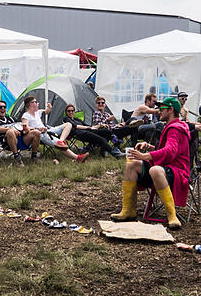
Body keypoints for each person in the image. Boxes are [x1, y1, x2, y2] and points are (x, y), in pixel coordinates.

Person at [110, 97, 190, 228]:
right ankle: (128, 210)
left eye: (162, 109)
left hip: (177, 172)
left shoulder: (175, 128)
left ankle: (172, 215)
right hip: (167, 167)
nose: (159, 111)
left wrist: (145, 156)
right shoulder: (170, 126)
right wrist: (150, 147)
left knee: (155, 169)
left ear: (170, 110)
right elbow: (168, 151)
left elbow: (170, 152)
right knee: (132, 164)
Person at [21, 96, 89, 162]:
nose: (38, 103)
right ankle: (78, 158)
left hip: (47, 130)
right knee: (57, 143)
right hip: (40, 135)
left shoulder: (37, 112)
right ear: (30, 104)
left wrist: (49, 107)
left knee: (68, 124)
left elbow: (47, 111)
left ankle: (61, 141)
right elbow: (25, 127)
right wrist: (37, 128)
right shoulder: (26, 115)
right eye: (35, 102)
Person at [0, 100, 40, 166]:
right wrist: (11, 129)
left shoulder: (10, 119)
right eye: (0, 107)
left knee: (36, 132)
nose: (3, 108)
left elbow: (20, 125)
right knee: (10, 132)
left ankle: (34, 156)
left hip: (20, 139)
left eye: (4, 107)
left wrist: (30, 129)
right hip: (6, 142)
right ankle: (17, 158)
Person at [60, 104, 125, 158]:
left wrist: (100, 125)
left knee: (106, 131)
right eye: (69, 111)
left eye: (72, 110)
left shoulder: (77, 119)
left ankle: (114, 145)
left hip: (89, 131)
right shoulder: (66, 119)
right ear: (66, 112)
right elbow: (75, 126)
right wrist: (89, 128)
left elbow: (89, 126)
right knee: (101, 139)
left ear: (74, 111)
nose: (71, 112)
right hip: (81, 134)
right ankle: (116, 154)